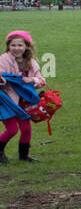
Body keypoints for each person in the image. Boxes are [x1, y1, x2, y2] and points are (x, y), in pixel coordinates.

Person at [0, 31, 46, 163]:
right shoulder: (4, 59)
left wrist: (31, 80)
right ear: (8, 46)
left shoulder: (31, 62)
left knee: (26, 129)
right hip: (7, 101)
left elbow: (41, 80)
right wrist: (3, 79)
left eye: (20, 45)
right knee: (12, 129)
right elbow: (1, 75)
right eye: (13, 45)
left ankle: (24, 155)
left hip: (24, 102)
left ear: (27, 46)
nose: (16, 48)